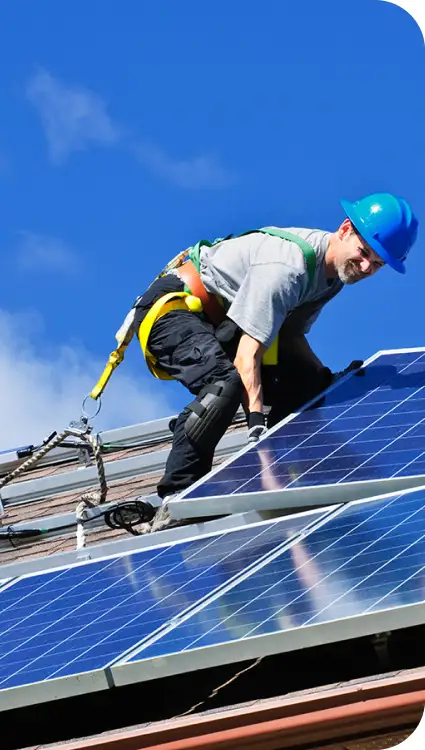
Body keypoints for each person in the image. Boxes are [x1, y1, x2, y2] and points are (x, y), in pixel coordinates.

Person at [132, 193, 418, 531]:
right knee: (225, 385)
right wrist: (256, 427)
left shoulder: (329, 281)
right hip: (173, 310)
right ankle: (178, 496)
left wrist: (325, 378)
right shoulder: (290, 268)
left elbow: (291, 338)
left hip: (223, 325)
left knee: (308, 387)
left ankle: (296, 469)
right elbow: (247, 355)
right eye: (364, 252)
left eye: (378, 263)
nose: (367, 266)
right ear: (345, 230)